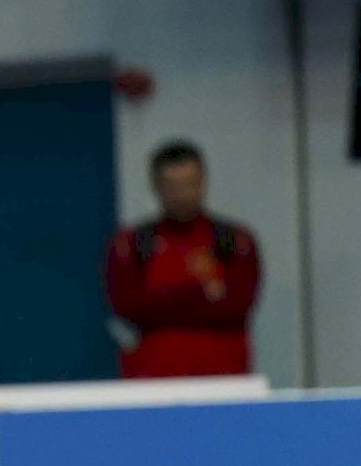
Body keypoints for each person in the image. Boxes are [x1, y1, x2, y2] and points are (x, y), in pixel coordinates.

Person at [105, 140, 263, 380]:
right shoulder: (130, 245)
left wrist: (163, 299)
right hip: (151, 381)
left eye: (189, 184)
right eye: (172, 187)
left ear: (204, 182)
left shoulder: (235, 241)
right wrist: (200, 293)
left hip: (224, 380)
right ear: (155, 186)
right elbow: (128, 309)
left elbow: (236, 307)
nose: (182, 195)